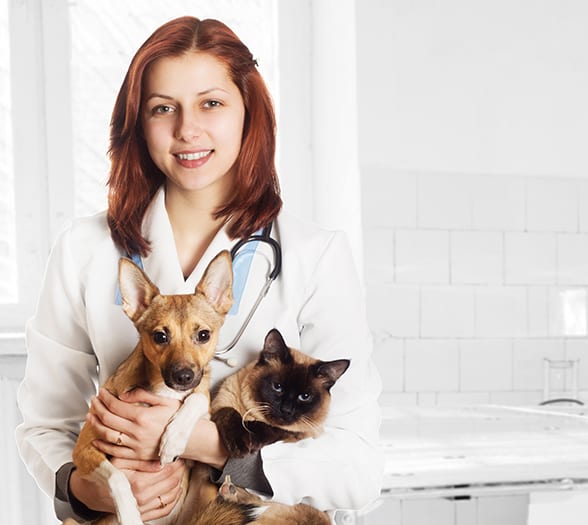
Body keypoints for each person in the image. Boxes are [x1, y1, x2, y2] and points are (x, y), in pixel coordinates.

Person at [16, 16, 383, 523]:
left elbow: (358, 466)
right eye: (163, 108)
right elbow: (46, 424)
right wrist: (89, 490)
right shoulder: (84, 249)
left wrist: (202, 441)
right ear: (137, 125)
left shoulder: (315, 255)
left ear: (248, 112)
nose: (187, 129)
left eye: (212, 103)